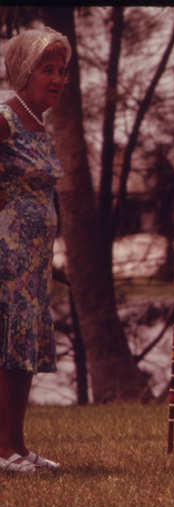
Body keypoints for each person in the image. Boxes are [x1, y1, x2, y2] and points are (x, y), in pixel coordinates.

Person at [0, 26, 71, 473]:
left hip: (32, 262)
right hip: (5, 257)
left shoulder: (38, 123)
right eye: (48, 69)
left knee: (20, 350)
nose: (59, 79)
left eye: (63, 71)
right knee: (4, 349)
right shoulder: (4, 117)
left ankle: (17, 446)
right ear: (24, 70)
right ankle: (2, 451)